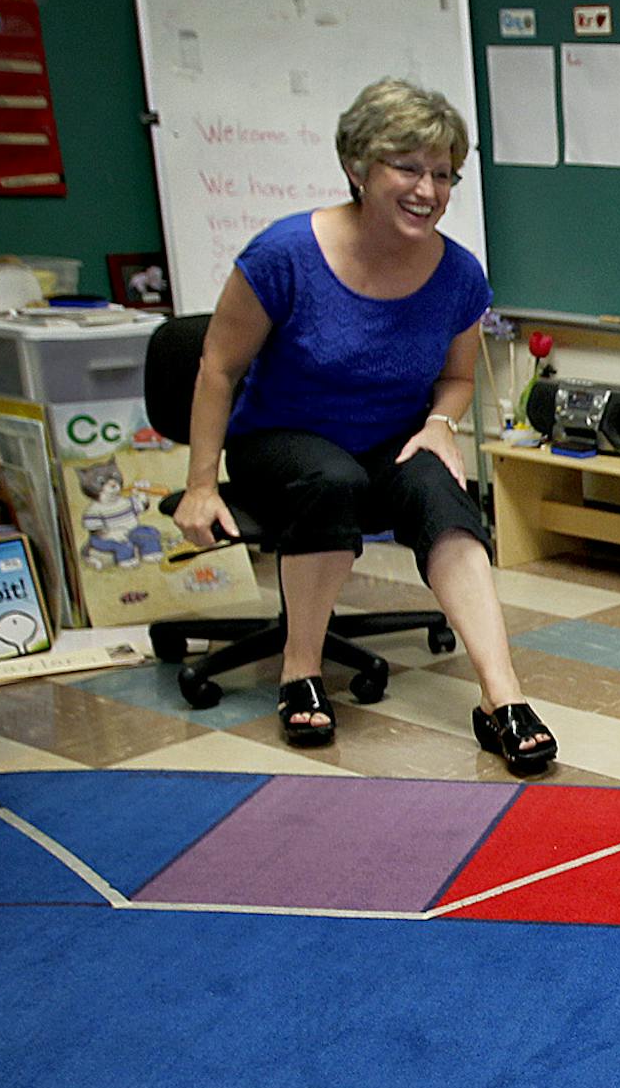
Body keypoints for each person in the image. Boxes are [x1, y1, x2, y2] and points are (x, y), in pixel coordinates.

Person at [173, 78, 557, 773]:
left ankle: (502, 699)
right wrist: (201, 485)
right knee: (330, 478)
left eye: (443, 174)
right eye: (407, 168)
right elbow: (217, 370)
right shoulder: (284, 255)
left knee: (443, 490)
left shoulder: (459, 275)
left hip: (391, 438)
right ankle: (300, 672)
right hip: (280, 441)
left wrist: (442, 424)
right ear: (358, 167)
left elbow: (458, 377)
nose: (428, 189)